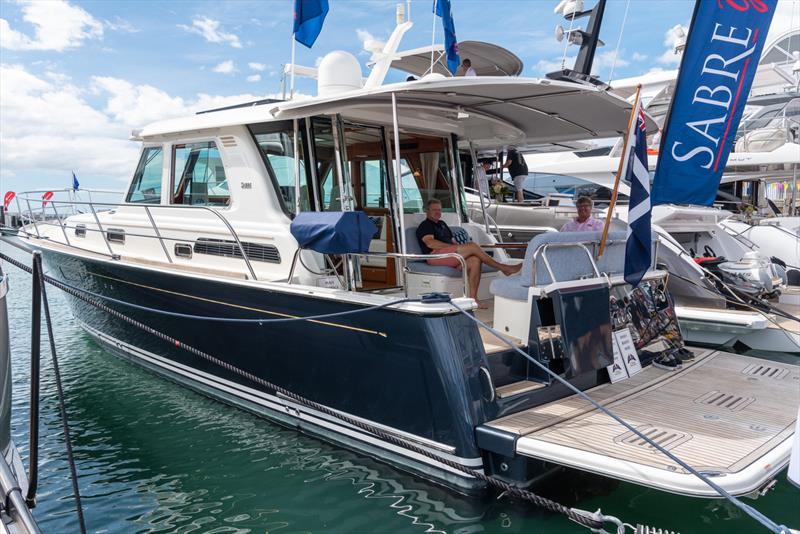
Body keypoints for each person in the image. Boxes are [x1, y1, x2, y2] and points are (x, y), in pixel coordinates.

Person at [416, 199, 521, 306]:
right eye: (434, 210)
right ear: (427, 211)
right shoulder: (425, 225)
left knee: (475, 260)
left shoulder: (442, 224)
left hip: (449, 255)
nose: (437, 212)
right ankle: (504, 268)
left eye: (439, 210)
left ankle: (473, 299)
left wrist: (456, 247)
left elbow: (453, 241)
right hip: (435, 256)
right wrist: (455, 248)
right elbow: (430, 243)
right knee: (472, 246)